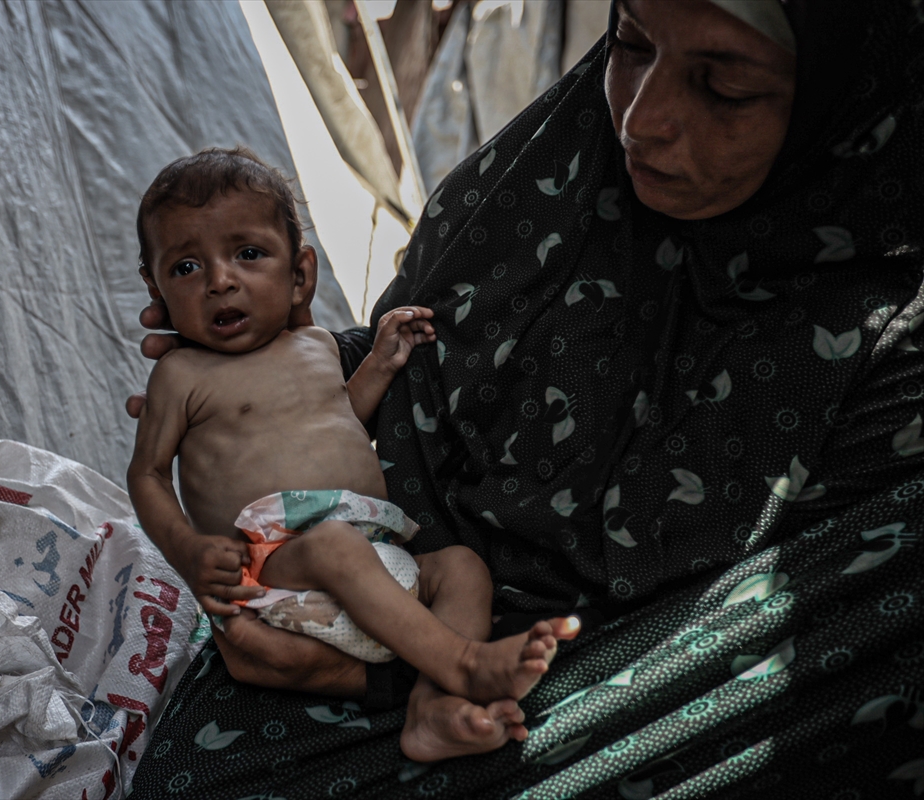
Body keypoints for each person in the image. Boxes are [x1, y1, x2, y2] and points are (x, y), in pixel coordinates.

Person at [129, 0, 923, 796]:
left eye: (723, 87)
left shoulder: (886, 362)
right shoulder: (544, 179)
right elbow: (422, 351)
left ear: (837, 99)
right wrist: (276, 371)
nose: (643, 121)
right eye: (631, 44)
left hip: (576, 698)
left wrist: (382, 682)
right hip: (369, 592)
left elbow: (752, 667)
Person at [126, 149, 576, 748]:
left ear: (300, 275)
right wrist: (187, 550)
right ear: (155, 288)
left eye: (249, 254)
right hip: (278, 571)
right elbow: (148, 475)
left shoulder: (314, 344)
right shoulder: (181, 376)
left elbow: (337, 421)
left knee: (460, 566)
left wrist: (382, 364)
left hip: (376, 562)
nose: (220, 280)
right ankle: (462, 664)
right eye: (185, 267)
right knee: (335, 546)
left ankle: (432, 712)